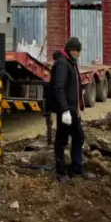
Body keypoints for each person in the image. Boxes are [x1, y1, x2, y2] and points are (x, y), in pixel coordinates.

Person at [48, 37, 95, 181]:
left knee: (78, 136)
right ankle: (61, 172)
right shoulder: (62, 64)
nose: (79, 54)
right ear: (71, 50)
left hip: (72, 110)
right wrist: (65, 110)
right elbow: (58, 88)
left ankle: (76, 168)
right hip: (66, 110)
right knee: (62, 140)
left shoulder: (70, 62)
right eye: (78, 51)